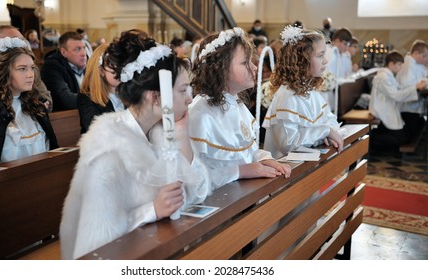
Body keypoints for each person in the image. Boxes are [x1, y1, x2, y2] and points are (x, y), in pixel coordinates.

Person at [60, 29, 211, 259]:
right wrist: (152, 210)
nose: (190, 98)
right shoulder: (108, 150)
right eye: (182, 90)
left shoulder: (160, 131)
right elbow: (96, 245)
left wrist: (182, 135)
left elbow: (197, 194)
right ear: (154, 96)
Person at [189, 27, 291, 189]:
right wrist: (240, 171)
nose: (254, 67)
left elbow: (245, 151)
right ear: (219, 68)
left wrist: (263, 158)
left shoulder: (235, 103)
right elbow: (195, 177)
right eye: (245, 62)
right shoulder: (200, 114)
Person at [0, 37, 58, 169]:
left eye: (32, 68)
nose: (30, 74)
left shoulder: (36, 106)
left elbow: (52, 150)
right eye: (22, 69)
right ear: (3, 72)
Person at [262, 25, 343, 159]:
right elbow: (288, 144)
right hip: (287, 171)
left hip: (309, 163)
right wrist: (325, 132)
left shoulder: (311, 90)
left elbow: (329, 118)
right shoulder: (287, 96)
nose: (325, 61)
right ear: (301, 61)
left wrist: (328, 133)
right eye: (320, 55)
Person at [0, 25, 53, 111]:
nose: (23, 44)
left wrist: (42, 104)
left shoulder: (29, 64)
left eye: (22, 40)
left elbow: (44, 95)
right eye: (16, 40)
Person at [369, 51, 426, 152]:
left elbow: (399, 88)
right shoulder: (383, 76)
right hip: (382, 109)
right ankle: (369, 140)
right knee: (401, 138)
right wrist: (415, 87)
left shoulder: (389, 75)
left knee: (405, 135)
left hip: (389, 108)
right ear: (391, 64)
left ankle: (373, 139)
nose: (401, 68)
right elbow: (396, 95)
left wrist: (415, 86)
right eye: (399, 65)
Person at [78, 43, 123, 133]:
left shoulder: (129, 91)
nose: (121, 71)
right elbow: (97, 129)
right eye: (114, 67)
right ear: (101, 71)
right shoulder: (86, 97)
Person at [41, 31, 87, 111]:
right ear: (63, 52)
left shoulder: (89, 63)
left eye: (84, 48)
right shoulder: (51, 67)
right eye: (77, 49)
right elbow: (65, 100)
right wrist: (95, 99)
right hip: (65, 119)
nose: (83, 54)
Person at [397, 40, 428, 138]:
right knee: (408, 136)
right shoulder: (408, 65)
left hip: (413, 106)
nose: (426, 59)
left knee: (419, 127)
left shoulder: (415, 64)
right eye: (424, 56)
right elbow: (406, 85)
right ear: (416, 53)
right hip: (407, 108)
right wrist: (421, 84)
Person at [322, 28, 353, 111]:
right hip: (326, 91)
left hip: (337, 91)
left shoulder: (341, 55)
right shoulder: (329, 52)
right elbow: (327, 76)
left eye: (348, 45)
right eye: (345, 44)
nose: (346, 48)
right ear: (336, 41)